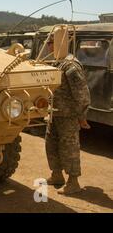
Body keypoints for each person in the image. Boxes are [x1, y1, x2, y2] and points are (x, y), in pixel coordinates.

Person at [45, 35, 91, 195]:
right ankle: (57, 175)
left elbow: (82, 93)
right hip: (55, 113)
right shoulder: (58, 62)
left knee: (69, 148)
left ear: (59, 43)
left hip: (68, 115)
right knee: (51, 145)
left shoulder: (70, 65)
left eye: (50, 43)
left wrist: (82, 115)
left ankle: (73, 182)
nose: (48, 46)